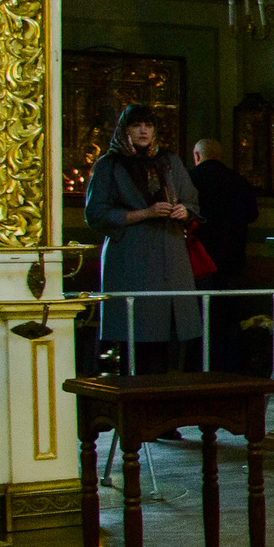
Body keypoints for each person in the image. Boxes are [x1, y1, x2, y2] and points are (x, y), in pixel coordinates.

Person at [83, 106, 201, 373]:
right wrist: (144, 213)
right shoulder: (109, 165)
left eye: (148, 125)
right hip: (132, 254)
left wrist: (184, 211)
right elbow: (96, 215)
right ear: (125, 130)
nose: (143, 131)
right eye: (137, 126)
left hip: (170, 253)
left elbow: (192, 201)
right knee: (136, 333)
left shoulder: (169, 161)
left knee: (172, 334)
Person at [190, 139, 263, 375]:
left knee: (200, 317)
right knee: (229, 318)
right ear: (220, 156)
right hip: (233, 261)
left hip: (199, 262)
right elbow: (253, 214)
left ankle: (200, 369)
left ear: (197, 156)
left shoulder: (191, 178)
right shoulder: (238, 180)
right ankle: (230, 370)